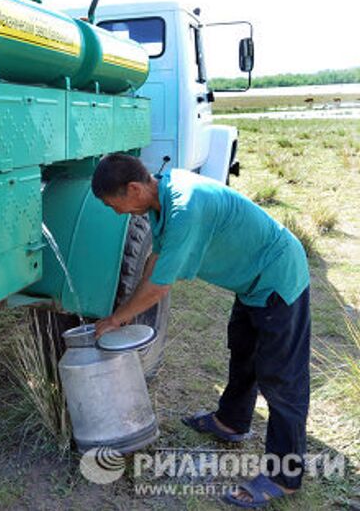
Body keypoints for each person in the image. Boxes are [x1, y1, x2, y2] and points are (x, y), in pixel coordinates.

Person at [91, 153, 310, 509]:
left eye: (116, 205)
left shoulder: (185, 206)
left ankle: (284, 477)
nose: (118, 213)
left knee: (282, 380)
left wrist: (116, 319)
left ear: (134, 188)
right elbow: (155, 261)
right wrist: (126, 310)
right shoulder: (159, 201)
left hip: (278, 278)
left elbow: (161, 286)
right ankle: (232, 422)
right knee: (244, 354)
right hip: (252, 285)